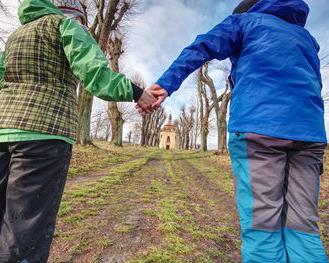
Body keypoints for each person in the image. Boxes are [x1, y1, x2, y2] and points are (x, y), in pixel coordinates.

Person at [138, 0, 328, 262]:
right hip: (309, 134)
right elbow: (315, 83)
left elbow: (201, 46)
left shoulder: (245, 22)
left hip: (259, 130)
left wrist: (164, 85)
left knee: (263, 229)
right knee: (304, 228)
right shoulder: (306, 37)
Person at [0, 0, 157, 262]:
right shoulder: (67, 27)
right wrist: (136, 92)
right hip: (42, 136)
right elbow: (95, 74)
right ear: (76, 18)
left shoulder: (16, 36)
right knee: (22, 231)